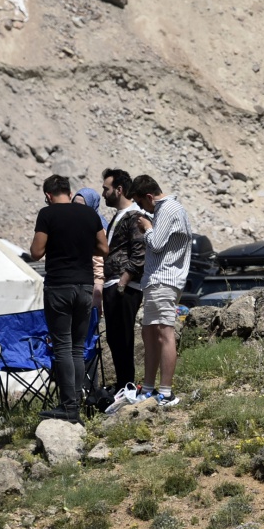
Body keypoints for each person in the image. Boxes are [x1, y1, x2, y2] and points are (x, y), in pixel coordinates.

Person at [31, 174, 108, 422]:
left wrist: (57, 243)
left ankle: (68, 406)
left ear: (48, 195)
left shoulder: (47, 214)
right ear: (69, 192)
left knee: (62, 346)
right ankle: (75, 403)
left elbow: (36, 252)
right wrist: (81, 246)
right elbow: (104, 248)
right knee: (77, 347)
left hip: (59, 286)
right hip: (85, 286)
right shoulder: (90, 214)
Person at [128, 174, 191, 407]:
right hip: (158, 281)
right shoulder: (168, 209)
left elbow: (156, 243)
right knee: (150, 334)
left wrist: (147, 227)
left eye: (141, 203)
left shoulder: (167, 209)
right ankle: (149, 388)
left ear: (149, 196)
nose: (142, 209)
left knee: (164, 333)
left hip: (163, 279)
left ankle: (165, 392)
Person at [98, 169, 146, 392]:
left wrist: (123, 282)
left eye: (106, 189)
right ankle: (122, 386)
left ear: (119, 190)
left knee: (124, 340)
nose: (103, 194)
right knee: (115, 339)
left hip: (124, 288)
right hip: (114, 285)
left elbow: (139, 253)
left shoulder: (134, 216)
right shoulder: (120, 216)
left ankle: (127, 387)